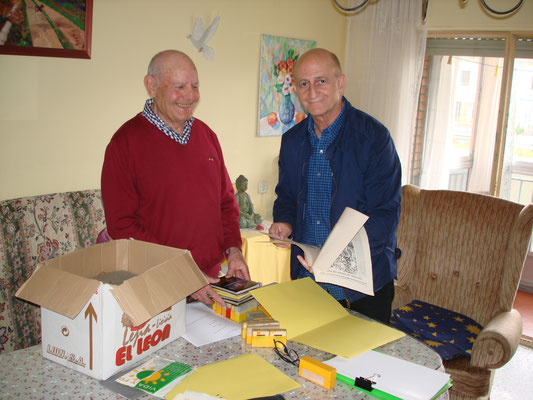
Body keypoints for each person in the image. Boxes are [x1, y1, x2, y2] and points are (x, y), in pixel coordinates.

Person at [101, 50, 250, 306]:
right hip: (156, 285)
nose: (190, 96)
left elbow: (226, 204)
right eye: (179, 86)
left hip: (210, 281)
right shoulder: (124, 143)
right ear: (151, 86)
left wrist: (234, 250)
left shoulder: (207, 135)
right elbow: (122, 227)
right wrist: (183, 274)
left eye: (194, 86)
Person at [269, 48, 401, 324]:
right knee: (307, 363)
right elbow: (287, 197)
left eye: (321, 81)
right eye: (304, 83)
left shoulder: (374, 138)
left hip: (363, 288)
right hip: (307, 284)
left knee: (364, 366)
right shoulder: (292, 141)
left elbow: (385, 216)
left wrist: (334, 257)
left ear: (340, 83)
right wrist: (284, 222)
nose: (312, 91)